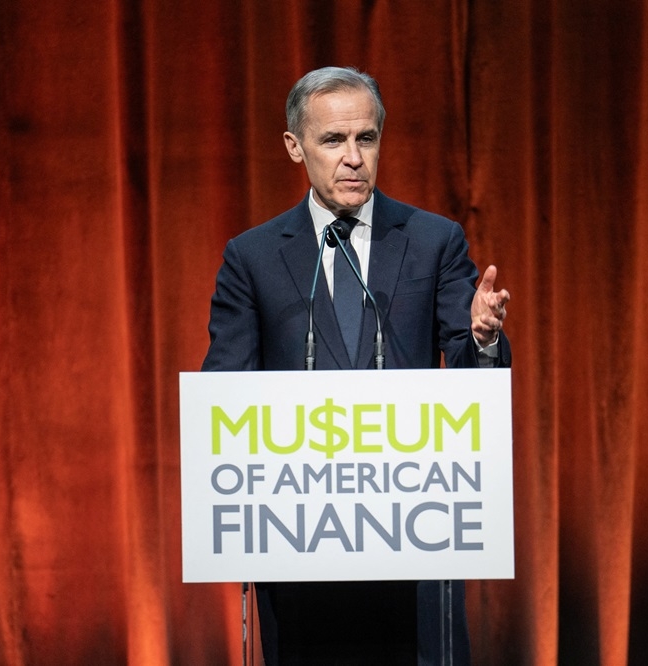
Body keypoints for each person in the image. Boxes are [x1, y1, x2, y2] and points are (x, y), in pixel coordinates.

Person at [202, 66, 510, 665]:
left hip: (413, 543)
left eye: (365, 139)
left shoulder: (432, 241)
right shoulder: (254, 257)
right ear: (295, 146)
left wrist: (482, 337)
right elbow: (226, 394)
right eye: (333, 141)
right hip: (301, 545)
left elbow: (479, 379)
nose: (353, 158)